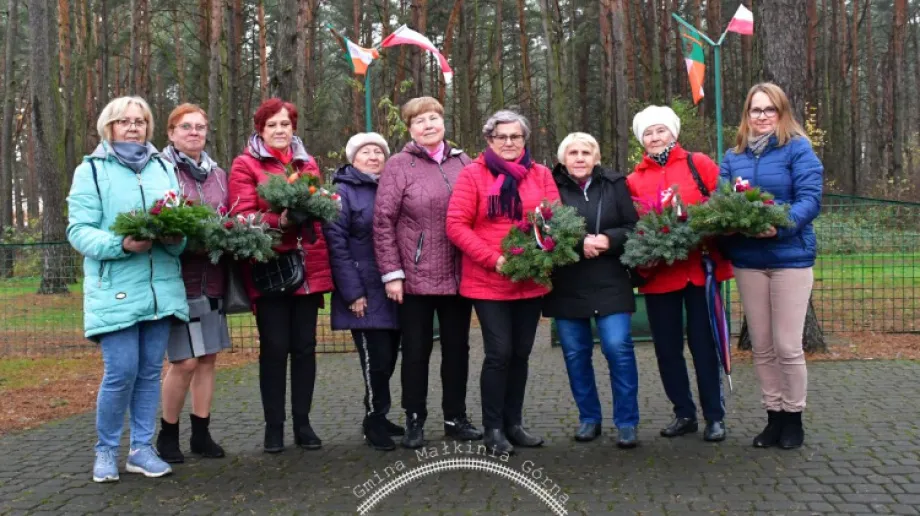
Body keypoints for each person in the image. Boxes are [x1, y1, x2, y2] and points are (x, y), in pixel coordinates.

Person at [67, 96, 188, 482]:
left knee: (151, 372)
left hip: (160, 288)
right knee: (121, 371)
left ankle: (141, 448)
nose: (133, 126)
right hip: (115, 287)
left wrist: (174, 237)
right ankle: (105, 451)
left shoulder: (164, 168)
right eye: (124, 121)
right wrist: (121, 245)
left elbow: (180, 220)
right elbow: (79, 231)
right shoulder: (92, 171)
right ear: (110, 126)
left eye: (140, 121)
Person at [446, 110, 560, 455]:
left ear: (525, 140)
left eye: (516, 137)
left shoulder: (540, 174)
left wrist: (541, 252)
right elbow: (456, 225)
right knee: (499, 353)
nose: (509, 143)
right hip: (488, 278)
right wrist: (494, 259)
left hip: (530, 278)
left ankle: (514, 423)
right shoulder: (472, 175)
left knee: (522, 353)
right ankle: (493, 428)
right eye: (501, 137)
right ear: (489, 141)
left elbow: (555, 216)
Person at [373, 97, 481, 449]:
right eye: (419, 121)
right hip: (414, 278)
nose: (428, 125)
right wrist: (392, 273)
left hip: (457, 275)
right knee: (416, 351)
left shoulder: (464, 162)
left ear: (444, 122)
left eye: (433, 118)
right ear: (410, 129)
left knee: (457, 350)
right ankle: (414, 418)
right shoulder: (398, 165)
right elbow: (383, 222)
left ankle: (456, 416)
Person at [720, 83, 823, 450]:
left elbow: (810, 199)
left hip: (790, 258)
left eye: (769, 110)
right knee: (761, 345)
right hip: (749, 261)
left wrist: (779, 225)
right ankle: (773, 417)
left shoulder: (798, 149)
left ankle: (794, 417)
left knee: (787, 345)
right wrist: (731, 223)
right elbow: (722, 200)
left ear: (781, 112)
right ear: (746, 115)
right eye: (755, 110)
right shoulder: (734, 156)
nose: (761, 116)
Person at [228, 98, 334, 453]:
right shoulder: (246, 165)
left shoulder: (307, 162)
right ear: (260, 129)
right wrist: (281, 220)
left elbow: (319, 204)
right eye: (272, 124)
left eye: (285, 124)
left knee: (305, 348)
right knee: (275, 349)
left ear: (293, 128)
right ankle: (274, 426)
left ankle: (303, 423)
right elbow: (241, 215)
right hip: (271, 268)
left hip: (308, 267)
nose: (279, 130)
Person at [626, 105, 734, 442]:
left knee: (705, 345)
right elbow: (634, 226)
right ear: (641, 139)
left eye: (661, 131)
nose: (655, 137)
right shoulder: (634, 179)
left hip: (700, 273)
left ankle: (714, 416)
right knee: (667, 349)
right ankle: (683, 412)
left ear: (673, 133)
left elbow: (724, 202)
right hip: (660, 277)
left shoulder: (698, 164)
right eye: (648, 133)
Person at [543, 133, 641, 448]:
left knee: (618, 348)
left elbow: (633, 227)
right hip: (567, 282)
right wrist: (577, 243)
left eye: (587, 152)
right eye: (573, 152)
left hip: (611, 278)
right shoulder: (550, 187)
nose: (580, 157)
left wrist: (609, 240)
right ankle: (589, 418)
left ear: (596, 157)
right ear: (562, 158)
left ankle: (627, 422)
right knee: (575, 353)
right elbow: (541, 230)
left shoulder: (614, 184)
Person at [155, 103, 229, 463]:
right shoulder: (160, 170)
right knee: (184, 361)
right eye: (186, 127)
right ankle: (167, 435)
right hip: (176, 278)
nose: (195, 132)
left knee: (207, 359)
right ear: (171, 132)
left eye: (201, 127)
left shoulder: (218, 174)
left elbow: (229, 214)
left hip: (212, 276)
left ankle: (201, 432)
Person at [324, 133, 403, 451]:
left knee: (389, 358)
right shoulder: (341, 193)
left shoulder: (391, 187)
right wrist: (353, 293)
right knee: (375, 359)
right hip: (363, 292)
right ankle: (373, 418)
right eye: (366, 152)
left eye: (378, 152)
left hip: (393, 289)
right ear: (353, 158)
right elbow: (337, 244)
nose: (373, 157)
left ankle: (380, 414)